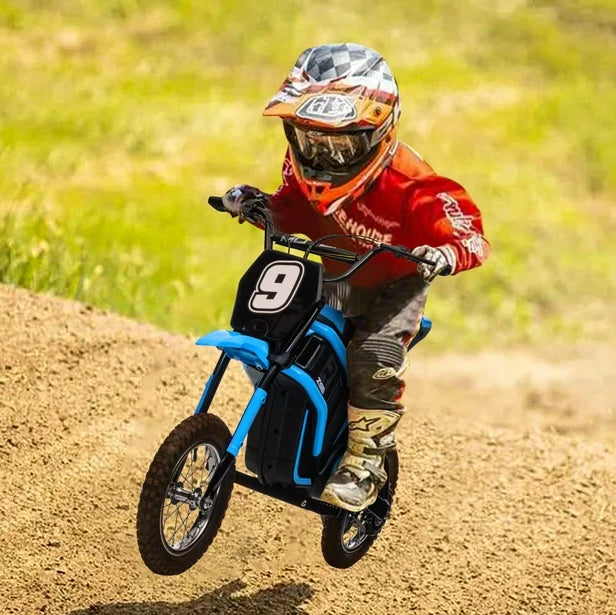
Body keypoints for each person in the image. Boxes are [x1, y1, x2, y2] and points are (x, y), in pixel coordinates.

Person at [222, 43, 489, 512]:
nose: (322, 157)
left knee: (372, 353)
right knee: (273, 326)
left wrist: (444, 253)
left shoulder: (413, 185)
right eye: (309, 140)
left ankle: (365, 462)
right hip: (335, 271)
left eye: (340, 145)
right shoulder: (299, 169)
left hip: (395, 283)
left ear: (377, 134)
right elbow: (294, 208)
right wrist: (260, 205)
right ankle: (297, 413)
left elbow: (470, 233)